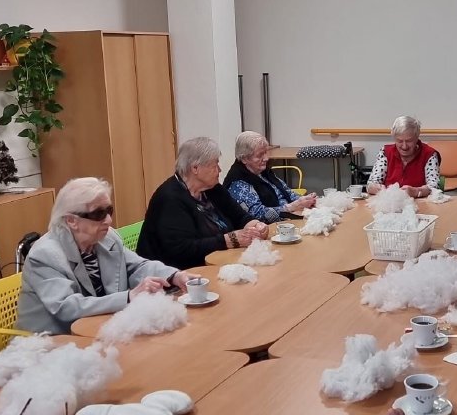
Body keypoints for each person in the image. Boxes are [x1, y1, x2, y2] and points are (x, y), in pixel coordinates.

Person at [18, 178, 190, 334]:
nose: (108, 220)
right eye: (98, 214)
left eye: (109, 211)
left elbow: (137, 266)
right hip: (52, 341)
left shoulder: (107, 238)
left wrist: (174, 276)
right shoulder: (45, 255)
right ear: (71, 220)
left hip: (98, 330)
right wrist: (128, 297)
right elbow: (67, 307)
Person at [137, 137, 268, 269]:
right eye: (215, 165)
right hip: (172, 273)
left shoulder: (212, 188)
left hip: (218, 262)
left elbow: (239, 216)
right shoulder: (170, 199)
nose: (220, 170)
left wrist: (257, 226)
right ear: (195, 168)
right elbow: (181, 250)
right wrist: (227, 240)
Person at [223, 131, 317, 223]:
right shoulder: (238, 183)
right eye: (260, 155)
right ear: (244, 158)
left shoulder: (262, 171)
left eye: (265, 152)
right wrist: (291, 207)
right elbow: (257, 215)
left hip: (287, 219)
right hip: (266, 228)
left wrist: (306, 200)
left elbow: (286, 191)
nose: (266, 158)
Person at [365, 116, 440, 199]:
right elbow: (371, 185)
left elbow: (434, 187)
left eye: (409, 141)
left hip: (420, 204)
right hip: (389, 203)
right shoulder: (385, 152)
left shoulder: (429, 154)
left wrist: (417, 191)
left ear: (417, 137)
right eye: (399, 141)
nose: (404, 146)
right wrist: (376, 188)